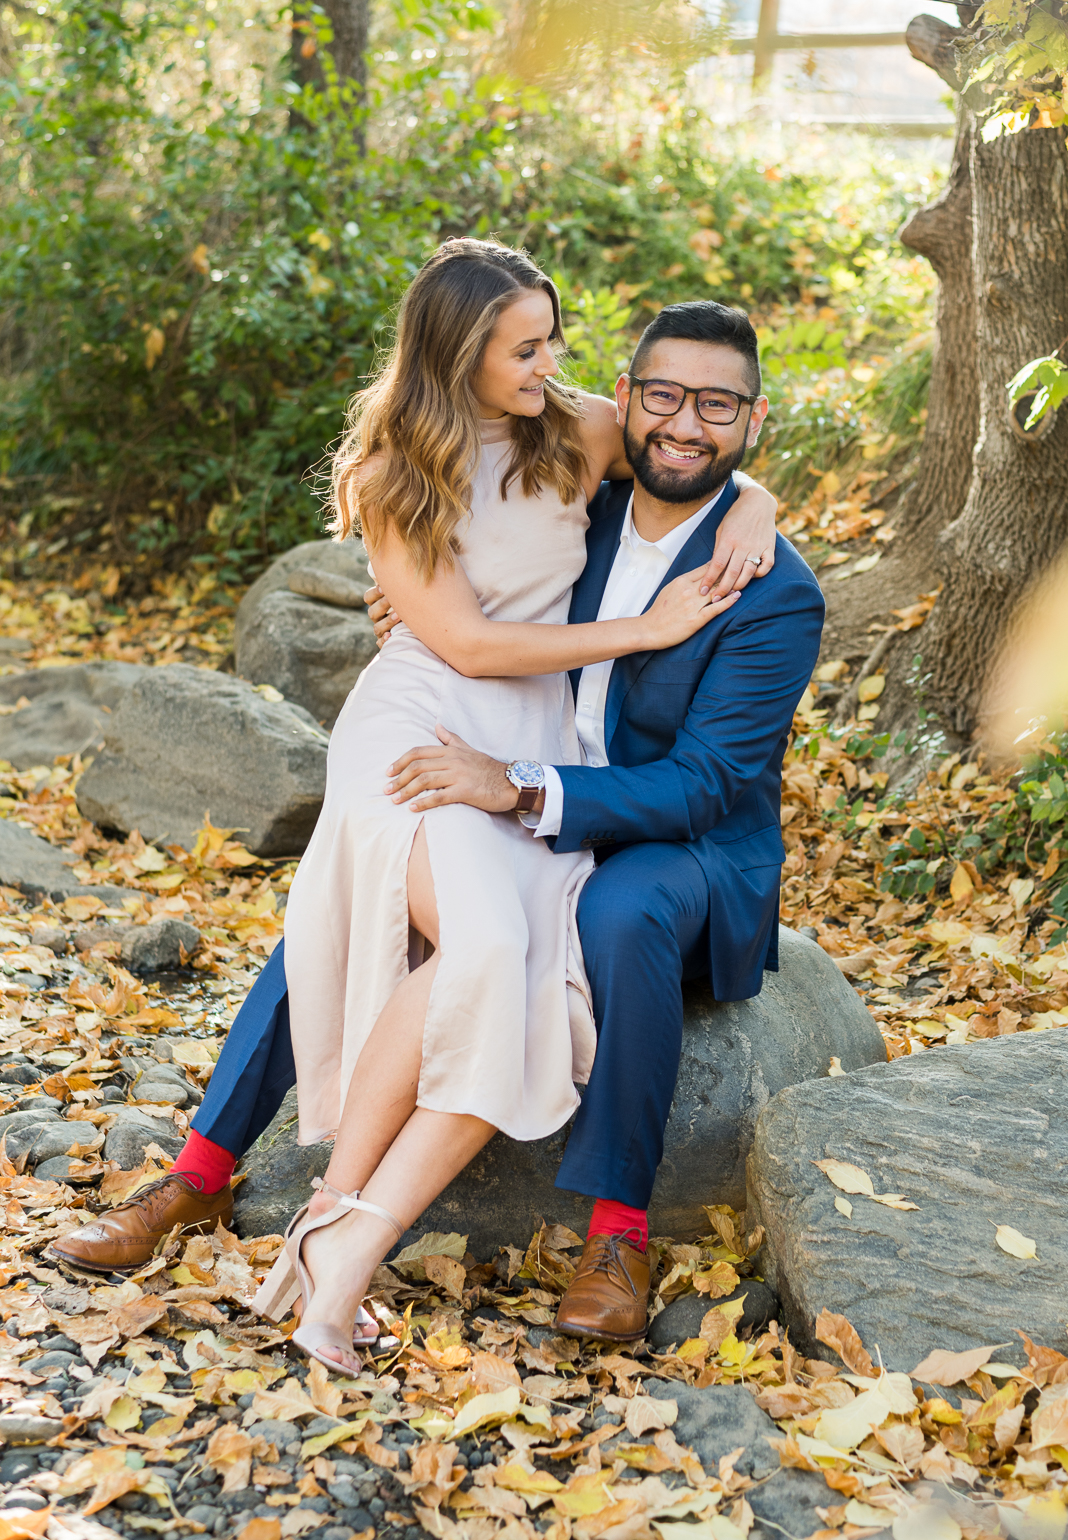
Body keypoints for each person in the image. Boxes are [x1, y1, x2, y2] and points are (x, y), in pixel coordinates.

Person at [53, 243, 779, 1361]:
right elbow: (470, 639)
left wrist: (756, 503)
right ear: (460, 354)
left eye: (554, 342)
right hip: (426, 725)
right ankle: (219, 1177)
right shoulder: (398, 470)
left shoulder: (571, 426)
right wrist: (649, 625)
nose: (551, 364)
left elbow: (681, 436)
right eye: (526, 348)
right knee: (431, 928)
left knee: (464, 952)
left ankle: (327, 1238)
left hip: (524, 743)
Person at [369, 300, 826, 1337]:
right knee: (378, 854)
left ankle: (617, 1233)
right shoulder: (578, 508)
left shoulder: (771, 588)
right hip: (534, 812)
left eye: (718, 406)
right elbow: (476, 591)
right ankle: (204, 1165)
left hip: (690, 851)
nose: (684, 423)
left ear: (753, 421)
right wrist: (411, 595)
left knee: (621, 912)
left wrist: (518, 786)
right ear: (624, 400)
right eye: (662, 395)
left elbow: (705, 783)